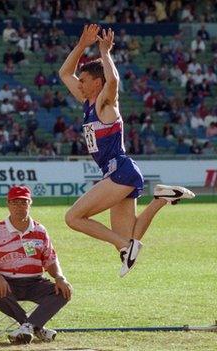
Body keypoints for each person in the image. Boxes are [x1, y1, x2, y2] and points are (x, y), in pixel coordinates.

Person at [59, 24, 195, 277]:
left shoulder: (105, 102)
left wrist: (105, 52)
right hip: (119, 173)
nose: (80, 83)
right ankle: (161, 198)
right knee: (131, 235)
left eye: (85, 80)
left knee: (73, 218)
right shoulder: (88, 102)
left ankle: (121, 245)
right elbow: (65, 72)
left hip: (119, 172)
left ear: (97, 83)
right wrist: (81, 45)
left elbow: (114, 80)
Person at [0, 186, 72, 344]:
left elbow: (51, 260)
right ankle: (35, 328)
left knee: (64, 291)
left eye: (23, 202)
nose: (19, 207)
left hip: (35, 282)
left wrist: (60, 277)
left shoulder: (40, 230)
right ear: (8, 204)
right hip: (7, 281)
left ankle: (27, 327)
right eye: (15, 203)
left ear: (30, 203)